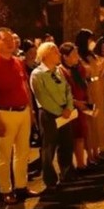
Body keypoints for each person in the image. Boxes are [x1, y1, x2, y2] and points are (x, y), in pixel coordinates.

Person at [0, 27, 37, 205]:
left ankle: (21, 186)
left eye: (12, 39)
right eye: (6, 40)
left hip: (23, 111)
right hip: (4, 112)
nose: (11, 43)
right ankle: (6, 190)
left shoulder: (18, 62)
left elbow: (25, 86)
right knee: (4, 155)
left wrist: (31, 109)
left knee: (23, 152)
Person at [30, 43, 75, 190]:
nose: (58, 54)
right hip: (49, 114)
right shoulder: (37, 74)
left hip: (64, 112)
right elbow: (42, 97)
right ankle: (50, 179)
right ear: (46, 54)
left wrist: (68, 107)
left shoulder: (58, 71)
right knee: (49, 147)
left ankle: (67, 172)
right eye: (55, 52)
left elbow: (68, 89)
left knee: (66, 144)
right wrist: (59, 111)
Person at [60, 42, 90, 170]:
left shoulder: (78, 68)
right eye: (73, 54)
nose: (76, 56)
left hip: (82, 104)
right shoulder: (61, 71)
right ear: (65, 56)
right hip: (70, 106)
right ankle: (70, 166)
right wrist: (76, 102)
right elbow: (63, 93)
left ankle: (81, 163)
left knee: (81, 135)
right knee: (71, 137)